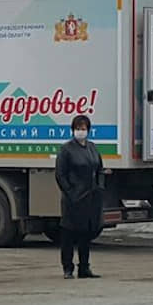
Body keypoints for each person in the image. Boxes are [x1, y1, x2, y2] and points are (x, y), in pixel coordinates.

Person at [55, 115, 104, 279]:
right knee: (69, 234)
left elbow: (99, 170)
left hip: (90, 199)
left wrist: (98, 189)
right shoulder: (66, 149)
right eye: (78, 128)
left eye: (83, 128)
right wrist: (70, 192)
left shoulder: (92, 148)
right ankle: (67, 268)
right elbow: (60, 175)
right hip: (73, 199)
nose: (80, 131)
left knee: (86, 234)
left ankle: (84, 267)